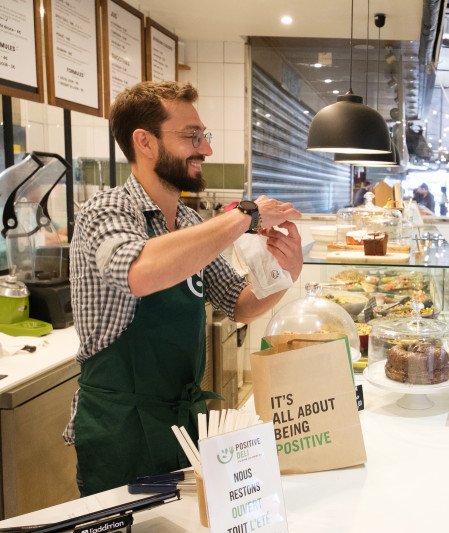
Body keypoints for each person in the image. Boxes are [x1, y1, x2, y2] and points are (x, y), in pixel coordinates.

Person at [63, 81, 303, 496]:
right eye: (192, 137)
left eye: (203, 136)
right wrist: (244, 215)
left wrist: (285, 273)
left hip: (184, 426)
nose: (206, 149)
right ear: (145, 142)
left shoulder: (191, 223)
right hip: (121, 431)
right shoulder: (105, 210)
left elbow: (240, 304)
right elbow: (140, 270)